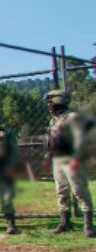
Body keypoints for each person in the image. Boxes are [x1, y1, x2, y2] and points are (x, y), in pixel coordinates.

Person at [45, 90, 94, 237]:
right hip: (58, 159)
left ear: (59, 101)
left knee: (79, 190)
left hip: (72, 158)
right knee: (61, 191)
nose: (49, 105)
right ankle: (65, 222)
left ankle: (88, 225)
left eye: (50, 102)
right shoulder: (54, 120)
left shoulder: (72, 118)